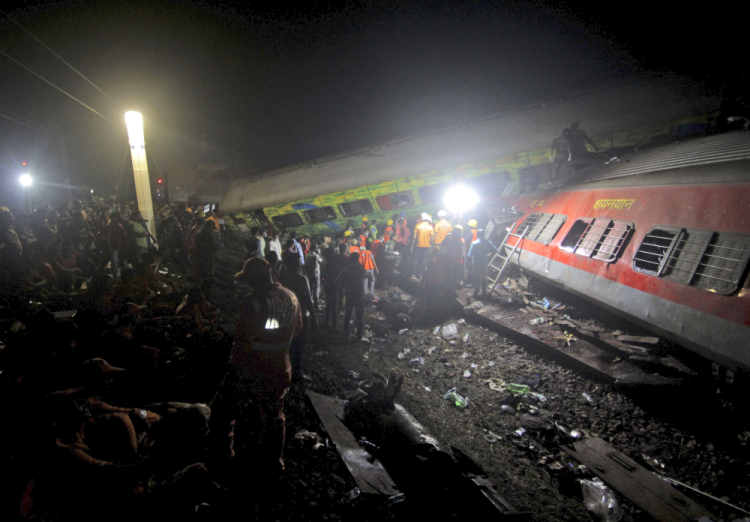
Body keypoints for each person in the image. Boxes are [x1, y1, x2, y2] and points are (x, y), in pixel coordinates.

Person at [209, 258, 303, 473]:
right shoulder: (291, 296)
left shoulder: (253, 302)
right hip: (281, 367)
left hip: (253, 367)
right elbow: (298, 328)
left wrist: (233, 368)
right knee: (275, 416)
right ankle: (274, 462)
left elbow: (243, 341)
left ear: (254, 278)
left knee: (224, 410)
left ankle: (223, 457)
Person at [279, 249, 317, 380]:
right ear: (297, 263)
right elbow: (307, 299)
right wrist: (314, 316)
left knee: (288, 345)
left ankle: (286, 371)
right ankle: (297, 374)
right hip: (300, 316)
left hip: (285, 314)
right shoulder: (302, 279)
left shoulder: (281, 277)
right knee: (300, 346)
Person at [335, 253, 366, 341]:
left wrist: (344, 289)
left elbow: (337, 282)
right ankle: (359, 336)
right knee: (359, 316)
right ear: (357, 259)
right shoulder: (361, 270)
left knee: (348, 314)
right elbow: (368, 277)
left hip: (349, 295)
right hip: (360, 296)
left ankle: (347, 333)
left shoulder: (346, 270)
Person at [467, 230, 496, 297]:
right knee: (484, 277)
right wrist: (488, 256)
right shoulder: (488, 242)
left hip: (476, 263)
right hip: (484, 262)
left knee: (477, 278)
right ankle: (484, 292)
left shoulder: (474, 243)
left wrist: (468, 262)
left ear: (477, 234)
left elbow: (470, 255)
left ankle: (476, 293)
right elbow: (495, 250)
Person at [321, 247, 340, 330]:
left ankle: (326, 322)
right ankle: (334, 325)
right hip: (333, 286)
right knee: (334, 306)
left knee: (328, 305)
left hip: (327, 286)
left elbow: (322, 276)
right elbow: (339, 274)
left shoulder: (324, 264)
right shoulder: (333, 264)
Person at [410, 213, 434, 280]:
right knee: (424, 261)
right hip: (426, 247)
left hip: (418, 246)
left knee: (416, 260)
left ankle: (413, 274)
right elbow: (432, 238)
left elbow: (414, 237)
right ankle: (420, 274)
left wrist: (412, 246)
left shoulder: (417, 226)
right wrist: (431, 246)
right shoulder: (430, 227)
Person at [305, 243, 323, 309]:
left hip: (309, 274)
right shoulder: (316, 255)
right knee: (316, 289)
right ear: (315, 249)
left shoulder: (307, 255)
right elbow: (321, 260)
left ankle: (310, 303)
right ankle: (316, 304)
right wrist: (319, 253)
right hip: (316, 274)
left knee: (310, 289)